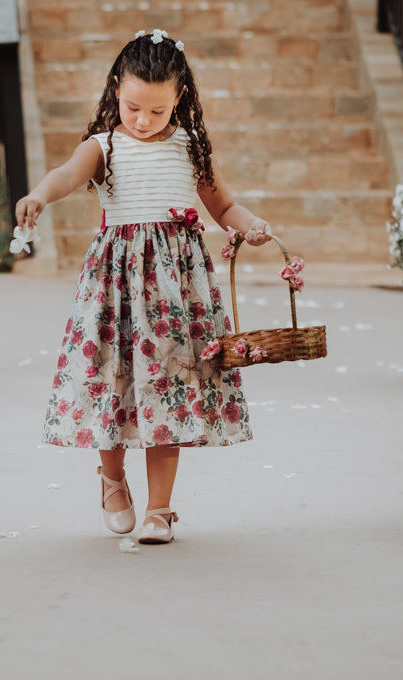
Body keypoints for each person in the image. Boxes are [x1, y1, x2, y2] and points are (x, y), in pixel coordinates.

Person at [14, 29, 271, 544]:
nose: (143, 121)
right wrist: (40, 196)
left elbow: (222, 206)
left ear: (179, 97)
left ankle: (160, 509)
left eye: (157, 111)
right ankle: (112, 480)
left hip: (175, 293)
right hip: (115, 288)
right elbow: (66, 174)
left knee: (170, 387)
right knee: (112, 382)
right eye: (133, 107)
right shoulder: (104, 145)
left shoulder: (190, 146)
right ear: (115, 89)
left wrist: (250, 225)